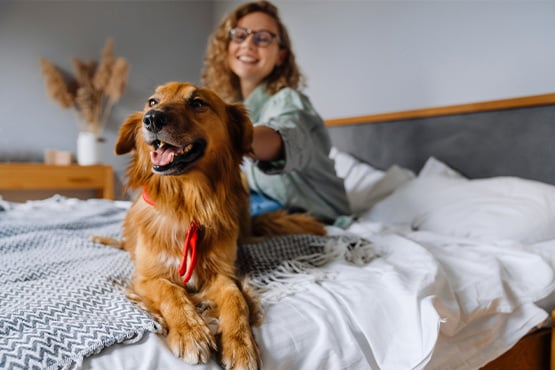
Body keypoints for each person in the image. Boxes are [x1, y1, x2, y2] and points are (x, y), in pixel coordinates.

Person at [201, 0, 350, 223]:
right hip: (262, 202)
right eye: (240, 35)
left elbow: (286, 136)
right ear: (227, 47)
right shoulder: (235, 108)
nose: (248, 43)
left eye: (263, 38)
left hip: (314, 213)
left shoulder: (289, 101)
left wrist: (222, 136)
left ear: (280, 55)